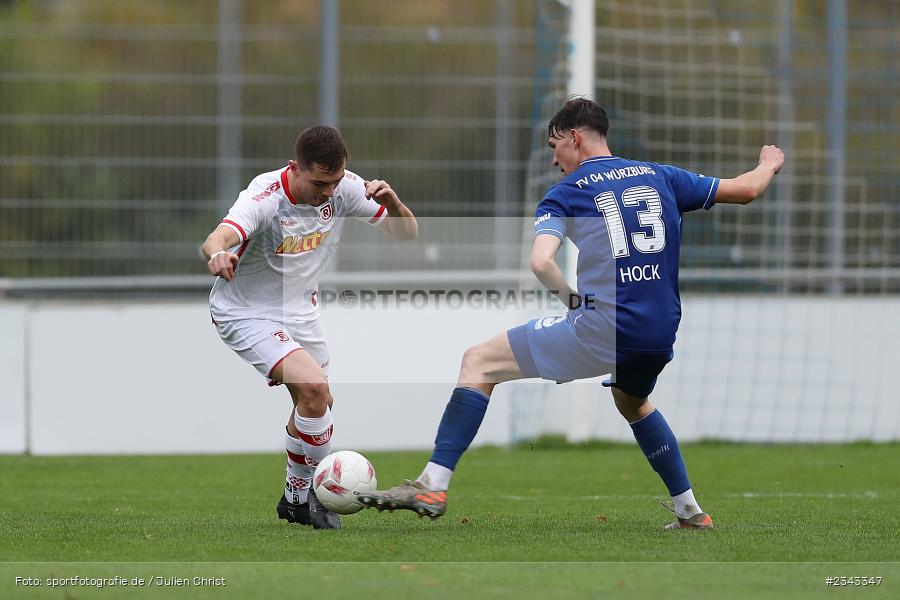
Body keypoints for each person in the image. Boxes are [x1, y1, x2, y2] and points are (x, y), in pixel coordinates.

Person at [358, 98, 784, 530]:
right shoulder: (662, 176)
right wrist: (768, 162)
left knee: (478, 361)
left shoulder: (567, 193)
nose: (554, 157)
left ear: (574, 137)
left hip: (605, 328)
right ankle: (691, 511)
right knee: (632, 401)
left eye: (554, 145)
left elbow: (542, 263)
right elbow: (747, 190)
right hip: (660, 330)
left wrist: (571, 301)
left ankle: (432, 482)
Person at [202, 125, 417, 529]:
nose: (327, 192)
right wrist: (218, 255)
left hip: (302, 312)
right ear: (294, 169)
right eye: (319, 183)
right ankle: (318, 499)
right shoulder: (264, 196)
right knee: (315, 389)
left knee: (316, 404)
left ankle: (294, 498)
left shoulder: (346, 188)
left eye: (334, 182)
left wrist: (396, 204)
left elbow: (407, 234)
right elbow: (218, 237)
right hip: (245, 310)